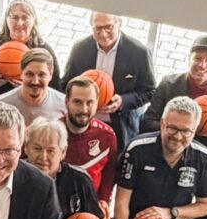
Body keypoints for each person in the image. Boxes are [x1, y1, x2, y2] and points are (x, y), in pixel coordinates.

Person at [62, 12, 156, 152]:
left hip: (120, 126)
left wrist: (122, 101)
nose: (103, 34)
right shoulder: (80, 48)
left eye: (109, 27)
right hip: (83, 121)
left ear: (119, 24)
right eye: (97, 28)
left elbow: (150, 91)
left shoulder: (139, 52)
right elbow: (66, 83)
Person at [142, 35, 207, 154]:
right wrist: (176, 129)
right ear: (189, 59)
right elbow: (148, 122)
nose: (202, 65)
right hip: (163, 150)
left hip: (199, 155)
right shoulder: (168, 84)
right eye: (197, 58)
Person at [0, 0, 61, 96]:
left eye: (25, 17)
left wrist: (31, 86)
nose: (19, 23)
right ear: (6, 20)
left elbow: (56, 87)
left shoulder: (44, 49)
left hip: (29, 103)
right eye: (14, 17)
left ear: (34, 20)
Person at [25, 116, 104, 219]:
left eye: (51, 151)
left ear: (63, 152)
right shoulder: (13, 176)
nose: (43, 157)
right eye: (37, 149)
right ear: (26, 147)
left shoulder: (80, 181)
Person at [61, 76, 118, 211]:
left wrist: (104, 200)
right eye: (77, 102)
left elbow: (110, 172)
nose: (84, 109)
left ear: (97, 103)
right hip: (57, 205)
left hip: (91, 206)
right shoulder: (52, 132)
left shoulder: (107, 135)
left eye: (90, 103)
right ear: (66, 102)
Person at [0, 48, 67, 125]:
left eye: (41, 75)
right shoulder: (2, 105)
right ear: (21, 73)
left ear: (50, 75)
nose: (35, 81)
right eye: (30, 74)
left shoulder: (64, 104)